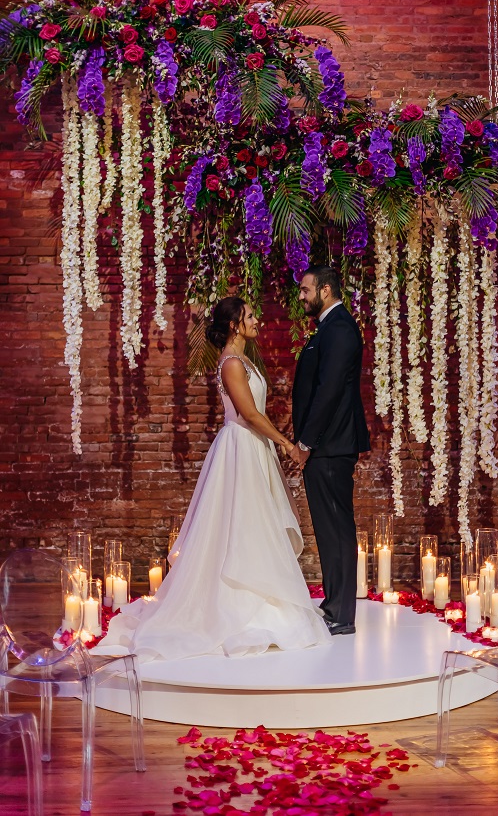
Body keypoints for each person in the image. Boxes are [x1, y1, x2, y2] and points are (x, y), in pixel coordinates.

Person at [94, 297, 330, 660]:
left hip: (254, 450)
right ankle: (231, 605)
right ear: (234, 324)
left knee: (253, 525)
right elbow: (249, 414)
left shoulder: (245, 359)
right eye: (251, 315)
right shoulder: (231, 363)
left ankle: (261, 597)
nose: (258, 320)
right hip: (240, 447)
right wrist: (285, 443)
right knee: (237, 525)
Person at [290, 265, 370, 636]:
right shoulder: (329, 327)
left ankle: (342, 613)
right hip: (328, 445)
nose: (301, 296)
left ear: (324, 290)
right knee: (328, 527)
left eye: (306, 290)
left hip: (331, 446)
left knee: (337, 527)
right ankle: (335, 605)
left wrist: (305, 442)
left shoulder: (338, 329)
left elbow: (329, 391)